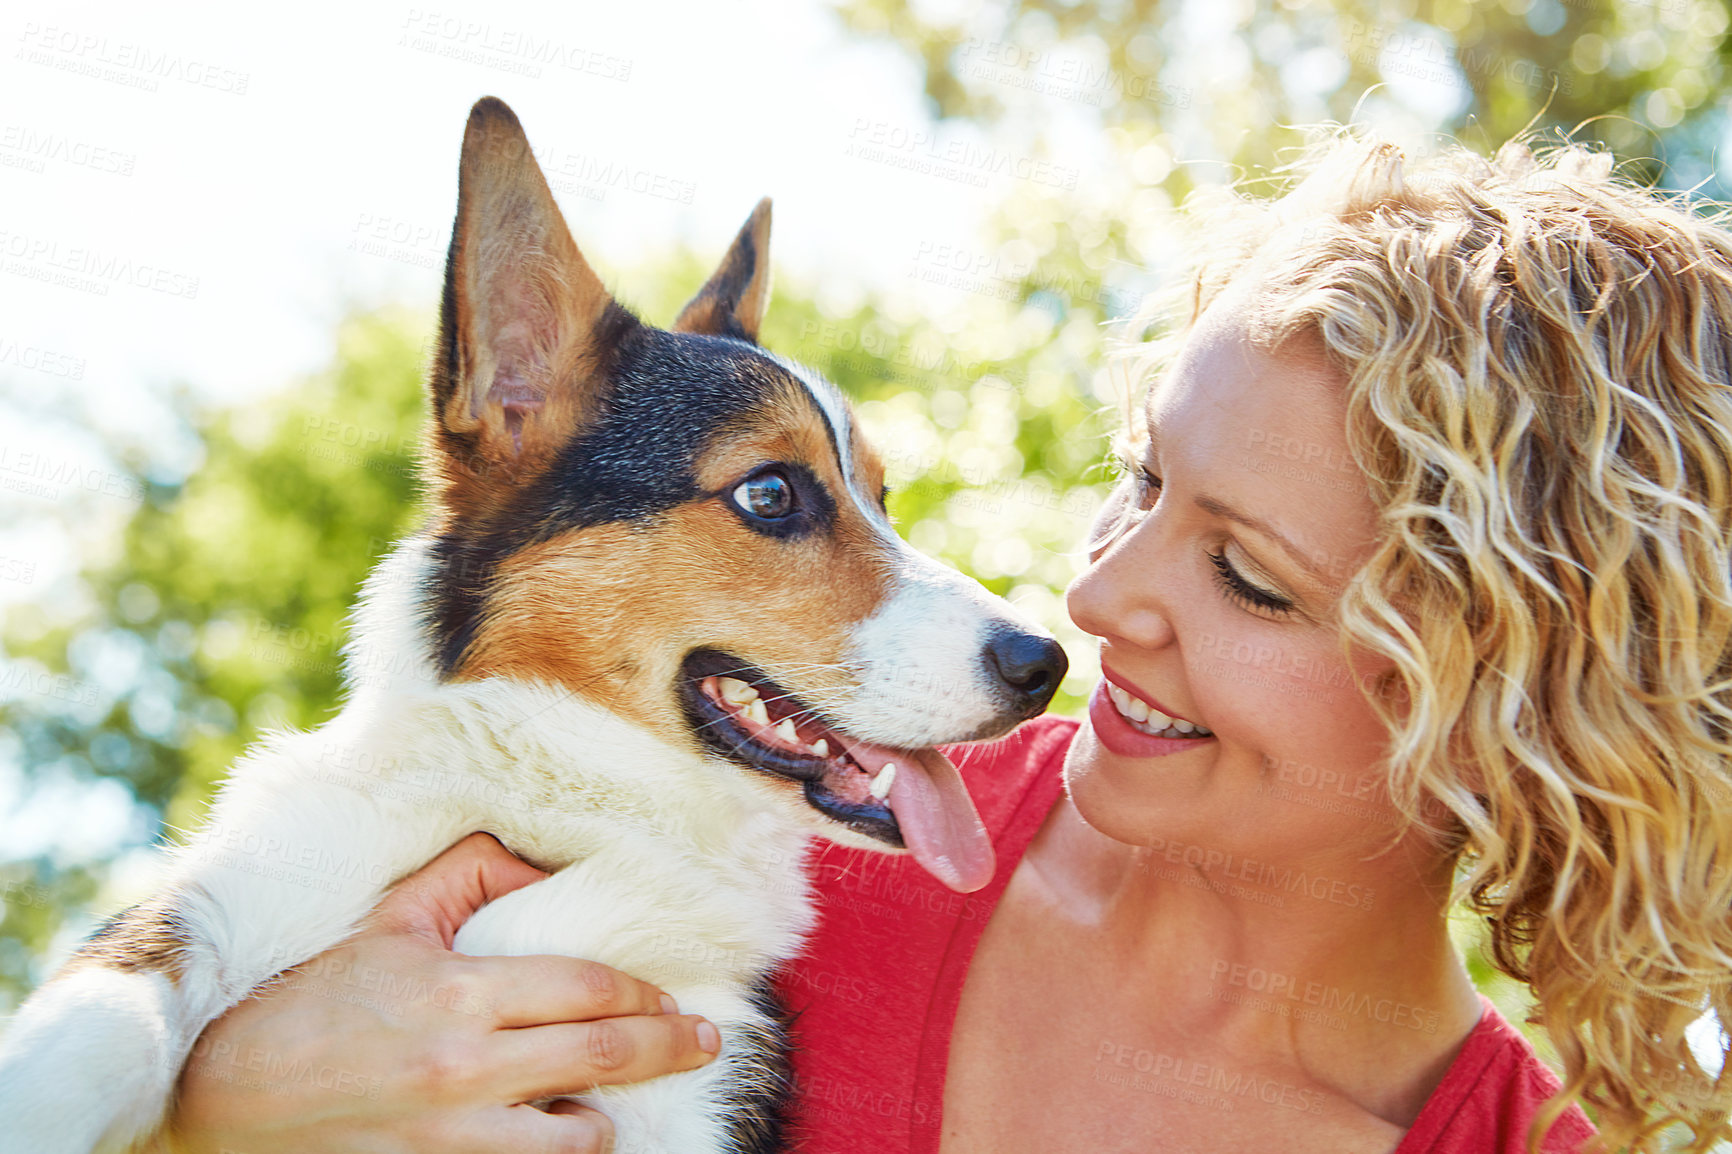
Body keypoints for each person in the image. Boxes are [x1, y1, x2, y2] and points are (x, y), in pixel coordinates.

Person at [166, 133, 1732, 1153]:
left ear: (1519, 710)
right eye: (1144, 482)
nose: (1100, 595)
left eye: (1248, 578)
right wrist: (217, 1099)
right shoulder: (766, 808)